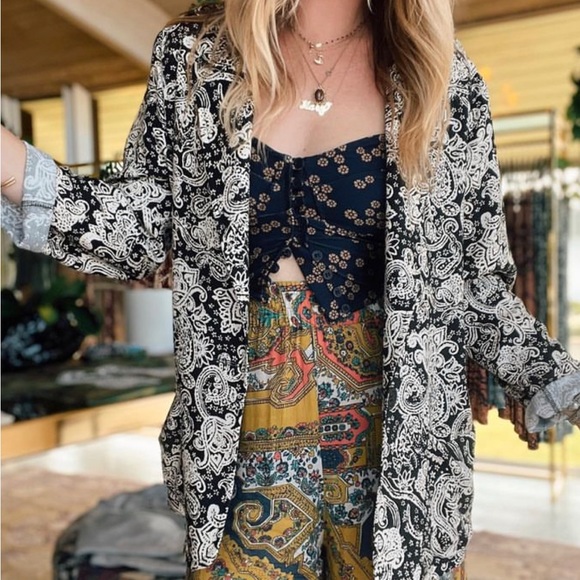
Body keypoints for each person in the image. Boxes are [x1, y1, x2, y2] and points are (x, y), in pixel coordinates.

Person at [2, 0, 580, 578]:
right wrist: (12, 165)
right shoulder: (194, 56)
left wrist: (558, 382)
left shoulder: (441, 72)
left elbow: (474, 284)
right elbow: (141, 231)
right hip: (237, 428)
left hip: (401, 444)